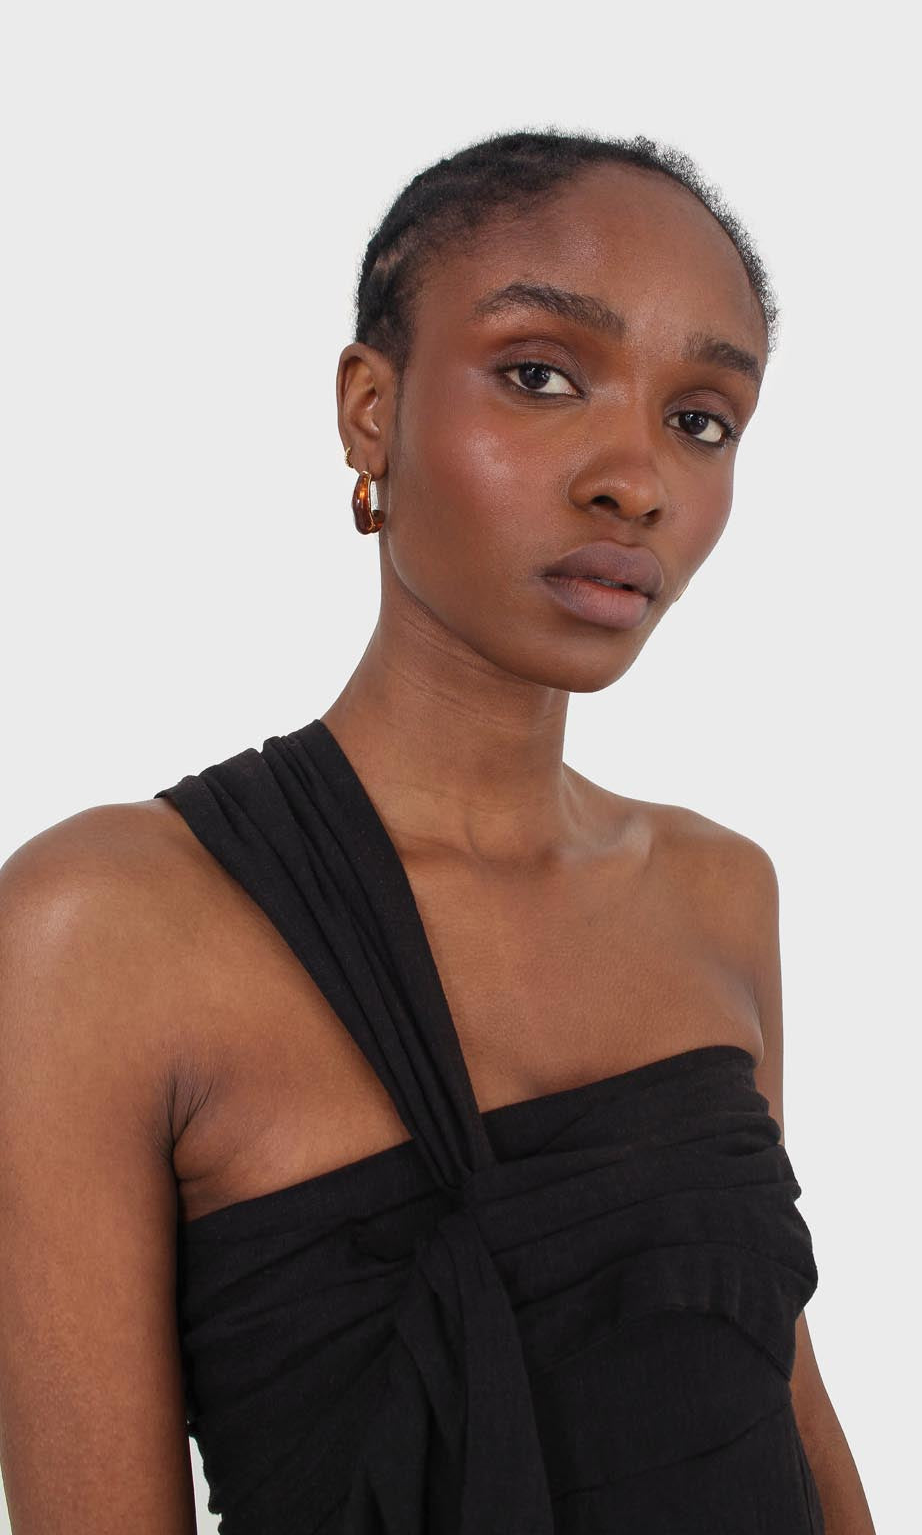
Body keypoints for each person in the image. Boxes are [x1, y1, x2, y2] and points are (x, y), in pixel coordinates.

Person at [0, 129, 875, 1533]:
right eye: (540, 376)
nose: (636, 479)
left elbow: (785, 1418)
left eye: (702, 420)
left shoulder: (719, 893)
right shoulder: (100, 930)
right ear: (371, 410)